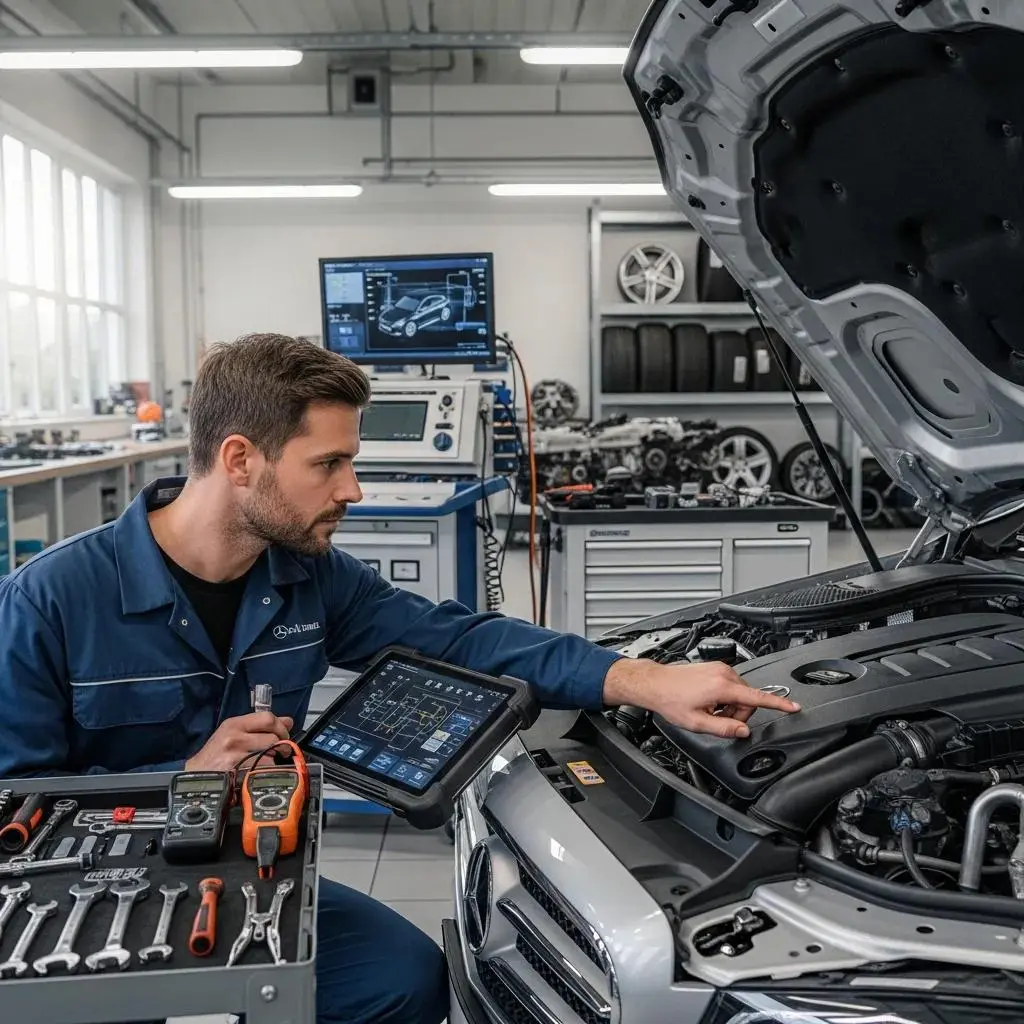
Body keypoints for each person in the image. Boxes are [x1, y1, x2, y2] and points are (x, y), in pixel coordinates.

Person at [0, 334, 799, 1024]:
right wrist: (182, 787)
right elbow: (15, 807)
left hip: (260, 871)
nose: (352, 489)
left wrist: (641, 680)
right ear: (240, 459)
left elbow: (460, 639)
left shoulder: (311, 579)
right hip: (101, 890)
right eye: (330, 464)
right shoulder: (53, 599)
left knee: (401, 979)